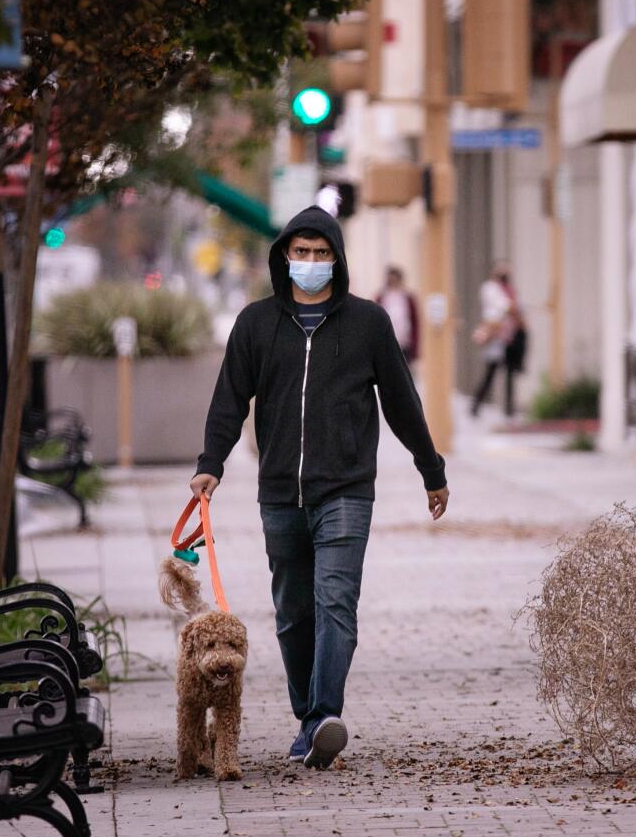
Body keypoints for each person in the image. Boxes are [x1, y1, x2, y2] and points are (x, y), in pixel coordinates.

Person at [191, 207, 449, 770]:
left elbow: (401, 401)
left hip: (347, 489)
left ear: (337, 258)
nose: (310, 263)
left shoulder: (368, 323)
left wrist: (430, 468)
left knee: (336, 602)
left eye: (321, 252)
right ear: (285, 257)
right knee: (292, 612)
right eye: (300, 252)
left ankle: (323, 717)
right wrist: (212, 462)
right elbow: (229, 400)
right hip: (280, 491)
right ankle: (308, 713)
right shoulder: (256, 324)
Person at [469, 261, 527, 419]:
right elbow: (506, 307)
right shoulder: (489, 288)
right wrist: (512, 309)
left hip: (510, 336)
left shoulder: (511, 290)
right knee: (490, 373)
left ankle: (509, 409)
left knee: (510, 373)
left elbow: (516, 309)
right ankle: (475, 405)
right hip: (495, 336)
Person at [376, 265, 420, 366]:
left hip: (405, 344)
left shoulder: (408, 298)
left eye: (396, 280)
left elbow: (415, 323)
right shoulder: (381, 297)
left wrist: (415, 347)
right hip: (386, 343)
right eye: (391, 280)